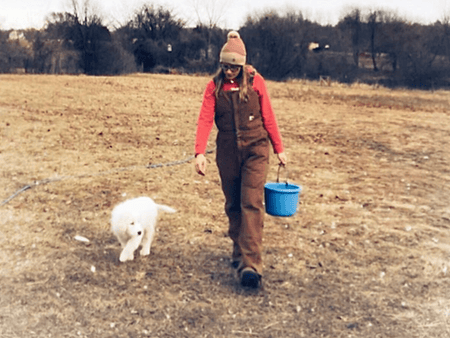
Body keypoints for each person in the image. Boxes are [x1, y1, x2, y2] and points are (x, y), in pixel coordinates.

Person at [194, 31, 287, 289]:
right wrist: (199, 152)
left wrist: (279, 148)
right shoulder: (213, 86)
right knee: (233, 203)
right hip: (227, 150)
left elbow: (268, 116)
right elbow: (204, 119)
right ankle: (239, 253)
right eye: (225, 66)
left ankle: (251, 265)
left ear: (242, 65)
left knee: (251, 202)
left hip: (256, 148)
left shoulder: (256, 82)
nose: (230, 72)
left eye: (234, 67)